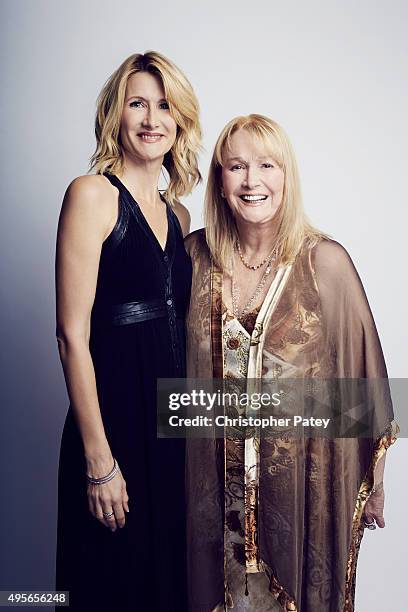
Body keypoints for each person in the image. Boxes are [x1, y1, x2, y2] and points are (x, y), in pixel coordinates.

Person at [184, 114, 397, 611]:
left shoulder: (324, 264)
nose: (252, 180)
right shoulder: (192, 259)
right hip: (210, 509)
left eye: (266, 165)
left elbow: (362, 380)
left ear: (287, 176)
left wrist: (374, 484)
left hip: (297, 501)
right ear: (219, 179)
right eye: (236, 166)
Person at [55, 51, 201, 611]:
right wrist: (100, 461)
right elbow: (71, 334)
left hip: (169, 426)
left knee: (165, 584)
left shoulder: (179, 216)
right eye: (137, 103)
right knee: (107, 582)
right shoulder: (90, 195)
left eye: (165, 106)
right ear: (116, 113)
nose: (151, 119)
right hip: (111, 422)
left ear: (180, 120)